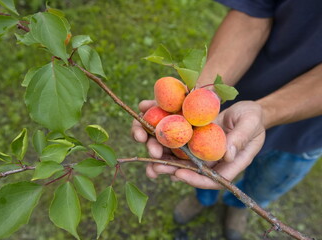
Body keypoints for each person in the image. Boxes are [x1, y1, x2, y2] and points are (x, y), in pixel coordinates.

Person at [131, 0, 322, 239]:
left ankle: (237, 207)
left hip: (305, 135)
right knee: (207, 170)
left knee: (263, 185)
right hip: (232, 109)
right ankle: (203, 198)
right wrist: (202, 92)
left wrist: (265, 113)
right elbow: (253, 11)